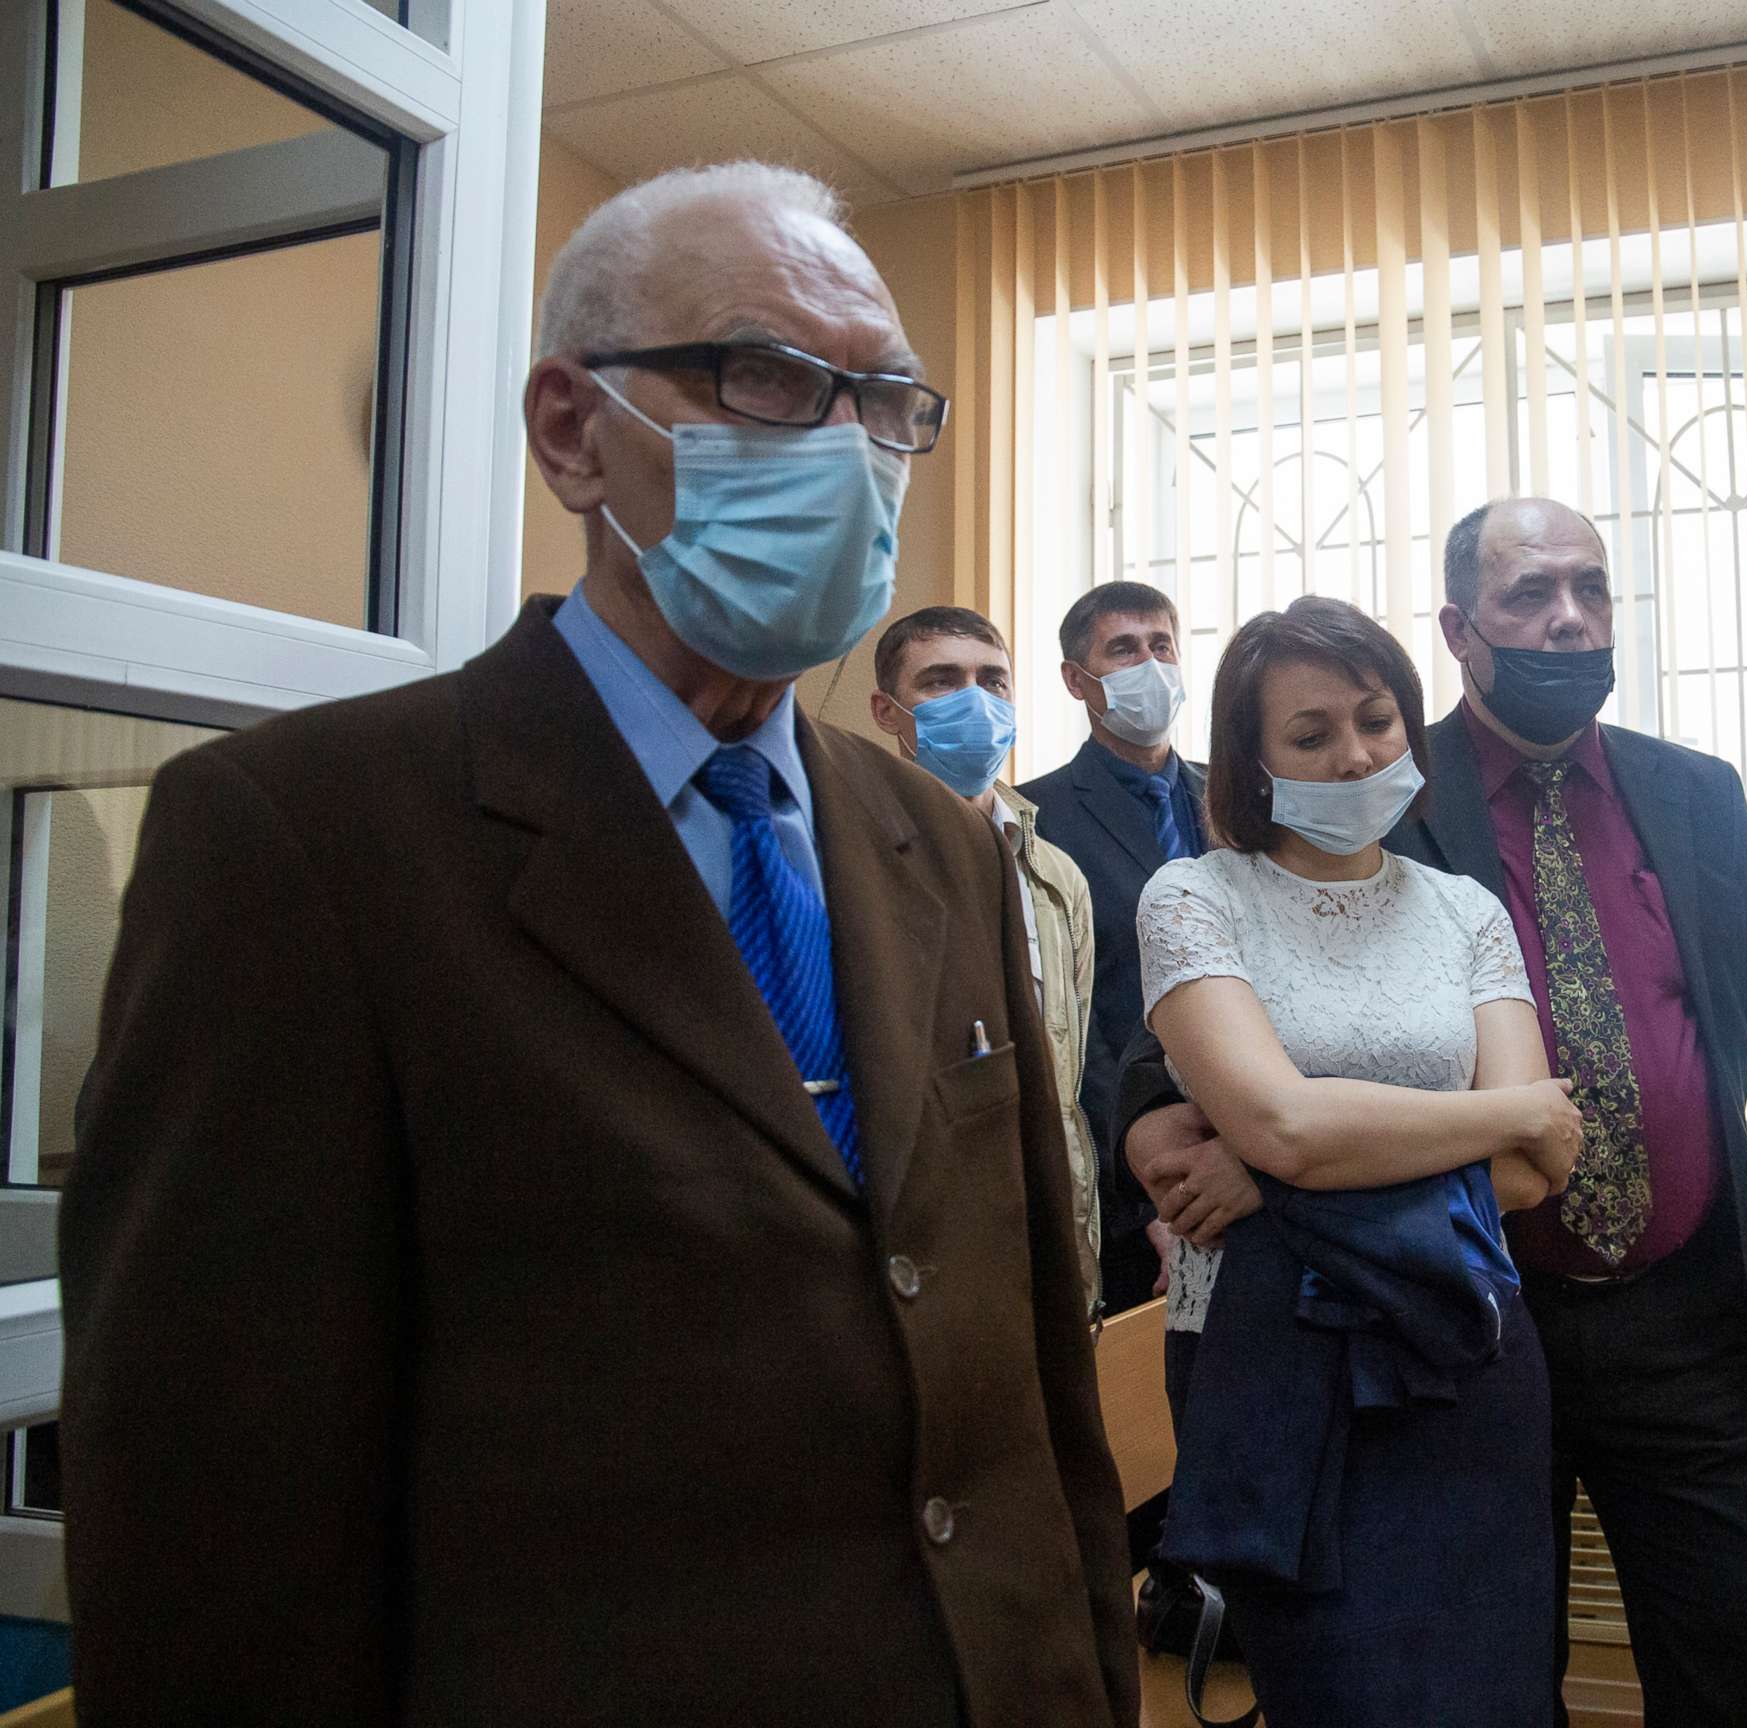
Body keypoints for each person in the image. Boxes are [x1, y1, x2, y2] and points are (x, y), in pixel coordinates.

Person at [57, 162, 1135, 1727]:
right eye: (769, 379)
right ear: (573, 432)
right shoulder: (302, 839)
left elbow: (1032, 1369)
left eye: (889, 402)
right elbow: (213, 1516)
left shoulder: (943, 843)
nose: (846, 450)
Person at [1124, 497, 1747, 1728]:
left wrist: (1604, 1131)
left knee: (1740, 1657)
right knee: (1448, 1672)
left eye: (1589, 590)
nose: (1567, 620)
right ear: (1460, 626)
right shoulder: (1391, 797)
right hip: (1453, 1309)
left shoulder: (1695, 792)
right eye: (1529, 596)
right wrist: (1244, 1151)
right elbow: (1181, 1070)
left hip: (1680, 1313)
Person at [1137, 595, 1580, 1728]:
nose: (1355, 752)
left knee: (1496, 1690)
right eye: (1311, 733)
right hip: (1273, 1358)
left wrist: (1277, 1173)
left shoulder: (1464, 910)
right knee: (1340, 1693)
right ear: (1254, 758)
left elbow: (1538, 1171)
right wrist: (1500, 1110)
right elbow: (1288, 1126)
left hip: (1461, 1344)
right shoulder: (1195, 899)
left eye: (1377, 718)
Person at [869, 604, 1102, 1313]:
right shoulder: (850, 853)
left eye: (993, 681)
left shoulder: (1058, 877)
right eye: (942, 681)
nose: (976, 699)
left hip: (1051, 1224)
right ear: (887, 711)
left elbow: (1070, 1071)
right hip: (915, 1238)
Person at [1019, 581, 1204, 1312]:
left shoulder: (1232, 801)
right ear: (1076, 679)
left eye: (1161, 645)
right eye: (1123, 649)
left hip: (1255, 1150)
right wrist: (1144, 1194)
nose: (1149, 664)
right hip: (1129, 1189)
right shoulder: (1037, 818)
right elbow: (1071, 1024)